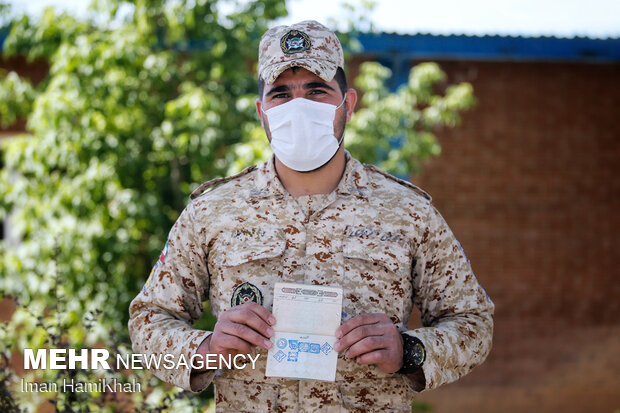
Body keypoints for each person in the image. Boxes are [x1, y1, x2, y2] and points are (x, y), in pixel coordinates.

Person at [129, 20, 494, 412]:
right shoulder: (212, 211)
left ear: (348, 104)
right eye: (281, 94)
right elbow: (149, 319)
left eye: (316, 90)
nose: (298, 107)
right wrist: (206, 349)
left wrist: (410, 351)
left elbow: (473, 321)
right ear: (261, 112)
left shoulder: (407, 212)